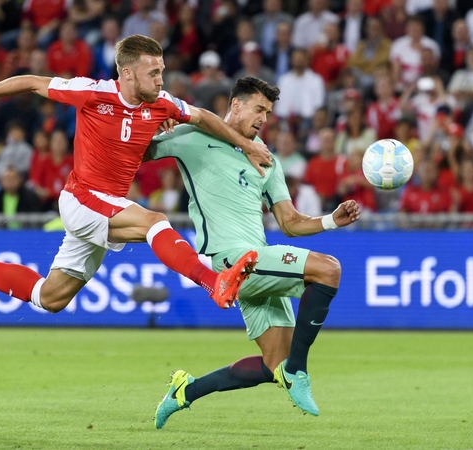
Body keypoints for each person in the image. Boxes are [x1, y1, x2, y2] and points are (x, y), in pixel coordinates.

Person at [0, 34, 272, 315]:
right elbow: (33, 82)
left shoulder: (161, 103)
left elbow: (203, 117)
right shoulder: (93, 93)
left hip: (108, 205)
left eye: (161, 71)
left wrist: (248, 144)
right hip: (82, 198)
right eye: (154, 72)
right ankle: (214, 281)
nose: (161, 79)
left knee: (50, 297)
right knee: (154, 222)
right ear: (128, 73)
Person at [147, 77, 360, 428]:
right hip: (233, 264)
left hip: (259, 264)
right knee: (329, 269)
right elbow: (141, 151)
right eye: (259, 109)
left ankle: (184, 391)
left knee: (273, 363)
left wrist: (331, 221)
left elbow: (290, 221)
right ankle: (299, 373)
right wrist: (157, 122)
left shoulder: (265, 157)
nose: (264, 118)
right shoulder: (192, 137)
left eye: (269, 112)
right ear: (236, 105)